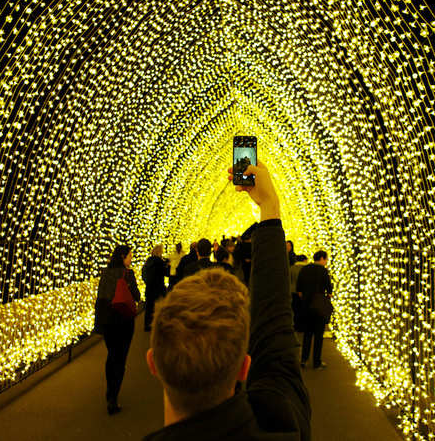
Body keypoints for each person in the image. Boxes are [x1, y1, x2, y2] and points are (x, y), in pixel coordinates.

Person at [142, 160, 310, 440]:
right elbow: (274, 330)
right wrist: (269, 208)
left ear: (153, 363)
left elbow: (275, 333)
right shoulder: (283, 424)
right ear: (244, 367)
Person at [93, 245, 141, 415]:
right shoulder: (128, 274)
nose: (131, 259)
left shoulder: (105, 273)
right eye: (130, 256)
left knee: (112, 354)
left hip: (108, 321)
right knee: (121, 358)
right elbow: (136, 296)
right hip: (124, 320)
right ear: (122, 257)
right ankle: (113, 397)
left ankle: (109, 391)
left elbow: (101, 297)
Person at [296, 251, 333, 369]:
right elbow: (329, 289)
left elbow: (299, 288)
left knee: (307, 333)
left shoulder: (305, 269)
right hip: (319, 307)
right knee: (318, 335)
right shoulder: (323, 270)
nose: (326, 262)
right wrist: (326, 297)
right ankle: (316, 362)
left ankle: (304, 359)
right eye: (326, 259)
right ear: (322, 258)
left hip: (307, 306)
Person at [142, 245, 168, 332]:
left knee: (149, 307)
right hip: (159, 288)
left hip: (149, 288)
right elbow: (166, 273)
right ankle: (159, 326)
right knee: (160, 307)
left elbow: (144, 275)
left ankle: (147, 325)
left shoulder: (148, 261)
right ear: (159, 252)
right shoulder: (160, 262)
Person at [290, 254, 309, 331]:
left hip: (293, 291)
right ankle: (302, 326)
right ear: (304, 260)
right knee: (303, 309)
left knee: (295, 309)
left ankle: (296, 325)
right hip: (303, 292)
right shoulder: (306, 269)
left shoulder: (291, 268)